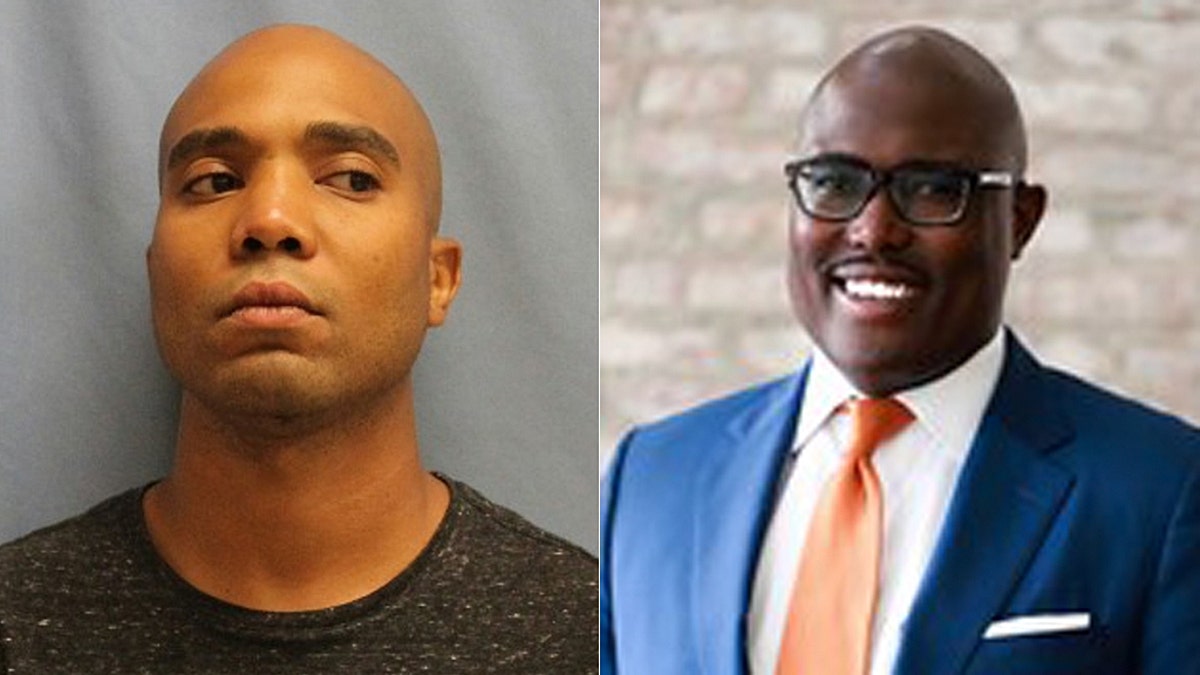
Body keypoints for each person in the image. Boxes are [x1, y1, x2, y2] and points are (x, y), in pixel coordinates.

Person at [601, 25, 1200, 675]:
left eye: (934, 188)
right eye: (834, 181)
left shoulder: (1161, 489)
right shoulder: (650, 478)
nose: (874, 229)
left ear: (1020, 221)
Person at [0, 24, 596, 673]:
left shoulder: (592, 632)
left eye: (350, 178)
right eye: (214, 180)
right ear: (154, 273)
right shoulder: (18, 621)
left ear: (437, 278)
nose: (270, 220)